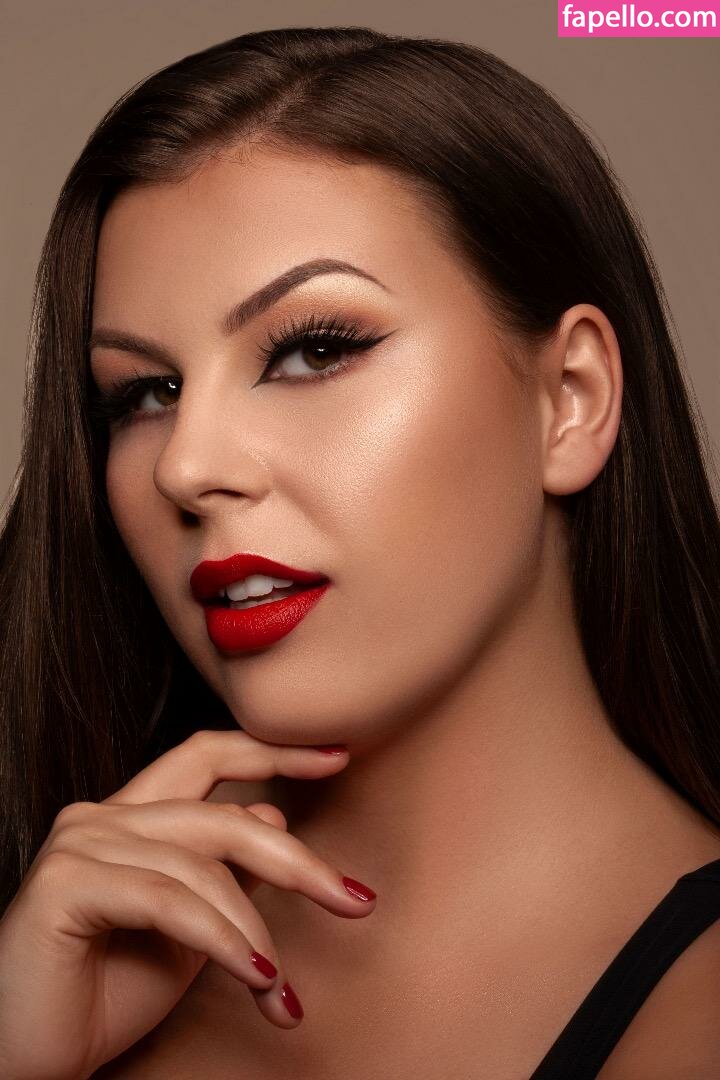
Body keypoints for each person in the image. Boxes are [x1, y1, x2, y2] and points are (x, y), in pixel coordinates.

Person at [0, 24, 719, 1080]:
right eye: (146, 392)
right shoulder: (52, 944)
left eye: (314, 349)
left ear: (570, 399)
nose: (187, 467)